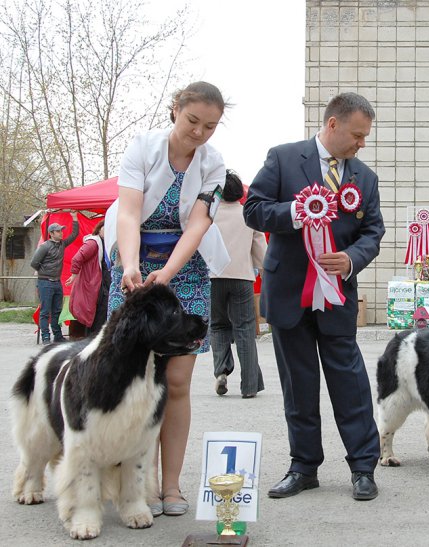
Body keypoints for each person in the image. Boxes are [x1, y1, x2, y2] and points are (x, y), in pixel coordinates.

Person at [243, 92, 384, 501]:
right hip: (289, 291)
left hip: (337, 295)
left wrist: (352, 258)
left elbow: (373, 232)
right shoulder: (283, 158)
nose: (362, 143)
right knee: (298, 384)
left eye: (366, 137)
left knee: (350, 382)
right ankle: (303, 467)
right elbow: (254, 209)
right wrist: (297, 212)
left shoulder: (365, 178)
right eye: (358, 135)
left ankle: (362, 467)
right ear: (333, 124)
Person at [103, 81, 230, 518]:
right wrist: (133, 265)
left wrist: (168, 275)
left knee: (175, 383)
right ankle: (136, 486)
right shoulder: (141, 148)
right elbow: (129, 211)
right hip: (134, 264)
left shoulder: (214, 165)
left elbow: (197, 226)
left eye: (210, 127)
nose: (199, 133)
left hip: (187, 268)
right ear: (174, 109)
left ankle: (171, 486)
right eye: (192, 121)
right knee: (131, 383)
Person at [210, 169, 267, 399]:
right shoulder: (248, 215)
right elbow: (262, 252)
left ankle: (221, 370)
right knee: (244, 329)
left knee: (218, 325)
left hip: (213, 277)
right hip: (242, 277)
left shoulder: (208, 216)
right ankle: (249, 386)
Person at [30, 212, 79, 344]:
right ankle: (46, 337)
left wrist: (74, 219)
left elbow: (74, 235)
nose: (61, 233)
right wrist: (44, 272)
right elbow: (34, 263)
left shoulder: (62, 244)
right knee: (45, 311)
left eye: (61, 231)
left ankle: (57, 335)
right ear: (51, 233)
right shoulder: (45, 246)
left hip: (57, 282)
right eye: (58, 231)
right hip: (45, 282)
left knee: (57, 309)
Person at [65, 219, 111, 336]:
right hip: (94, 285)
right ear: (99, 229)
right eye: (104, 228)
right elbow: (77, 258)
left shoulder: (105, 243)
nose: (107, 231)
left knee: (99, 314)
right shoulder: (93, 242)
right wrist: (74, 274)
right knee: (96, 315)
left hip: (101, 284)